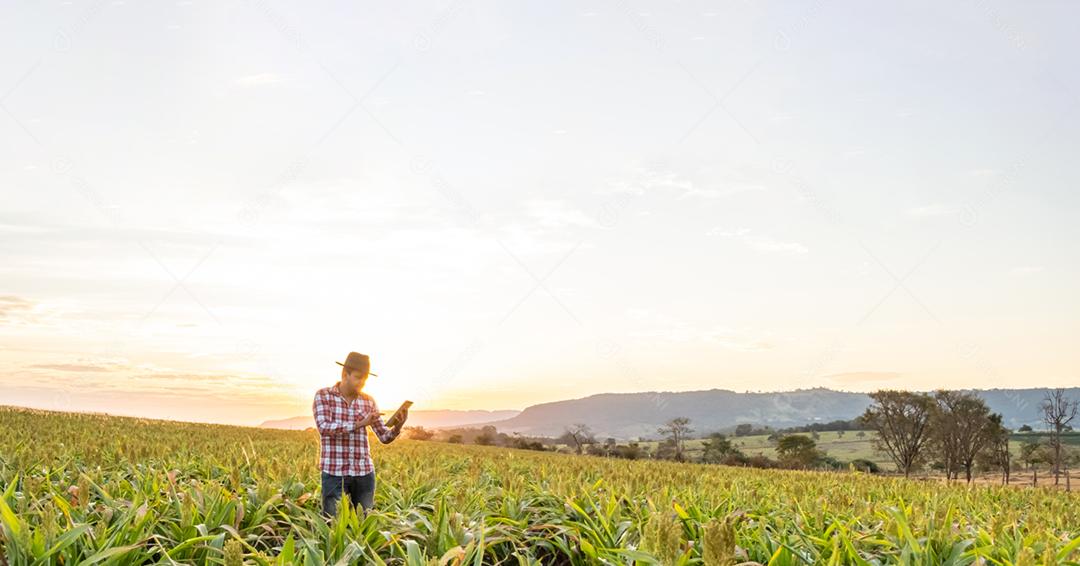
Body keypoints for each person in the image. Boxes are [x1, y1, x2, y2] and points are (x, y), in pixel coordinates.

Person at [312, 351, 408, 516]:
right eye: (358, 377)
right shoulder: (324, 396)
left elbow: (384, 436)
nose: (362, 382)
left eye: (365, 378)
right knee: (332, 525)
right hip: (335, 473)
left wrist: (398, 427)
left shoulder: (368, 401)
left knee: (364, 525)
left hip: (364, 474)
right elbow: (324, 427)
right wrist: (360, 424)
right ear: (345, 374)